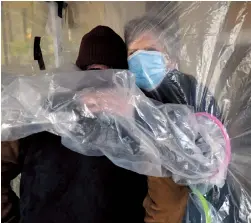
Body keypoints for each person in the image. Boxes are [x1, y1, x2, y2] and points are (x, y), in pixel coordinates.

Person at [1, 26, 147, 223]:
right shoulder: (45, 112)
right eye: (92, 71)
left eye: (103, 72)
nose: (97, 80)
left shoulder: (42, 111)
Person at [124, 16, 224, 223]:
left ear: (170, 58)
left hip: (189, 206)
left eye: (150, 51)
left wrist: (135, 113)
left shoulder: (193, 93)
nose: (140, 58)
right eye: (133, 53)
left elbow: (207, 159)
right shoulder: (132, 93)